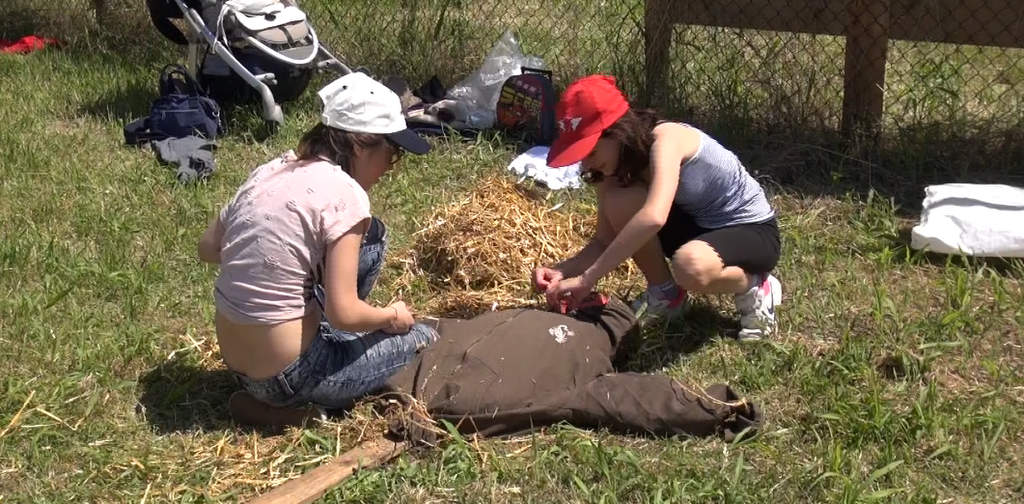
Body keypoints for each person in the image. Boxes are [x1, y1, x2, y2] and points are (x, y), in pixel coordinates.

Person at [197, 72, 438, 422]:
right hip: (292, 374)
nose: (390, 167)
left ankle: (273, 399)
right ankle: (295, 409)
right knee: (423, 337)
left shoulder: (271, 170)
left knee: (371, 237)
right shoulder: (345, 195)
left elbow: (208, 248)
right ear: (360, 144)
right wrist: (391, 315)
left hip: (236, 361)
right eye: (392, 153)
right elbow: (344, 314)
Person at [535, 75, 782, 339]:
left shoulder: (666, 139)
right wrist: (562, 270)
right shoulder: (614, 166)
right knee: (619, 201)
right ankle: (666, 295)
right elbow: (604, 240)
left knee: (690, 266)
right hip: (696, 225)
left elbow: (654, 217)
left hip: (750, 230)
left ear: (617, 132)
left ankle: (755, 286)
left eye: (591, 152)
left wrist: (587, 280)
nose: (586, 165)